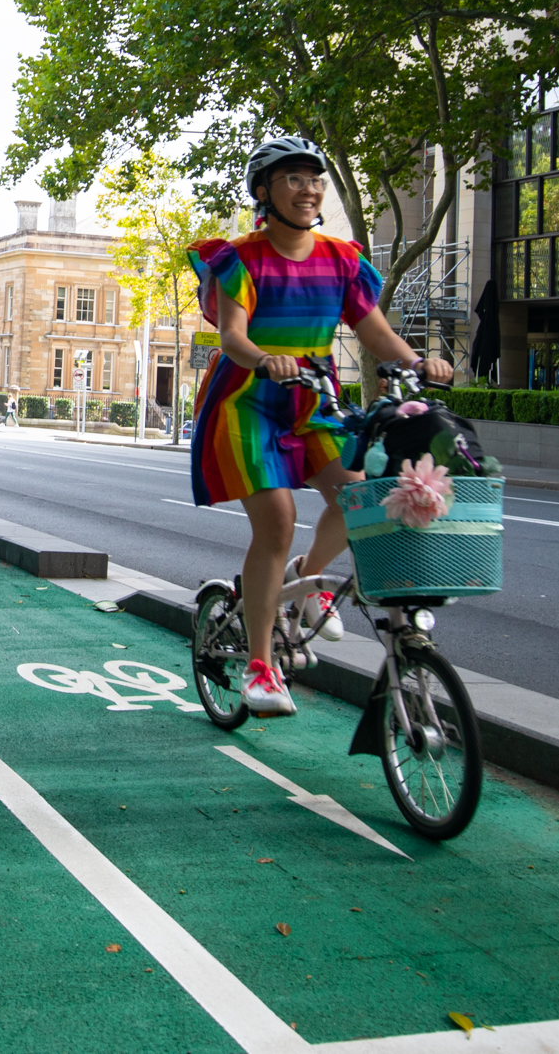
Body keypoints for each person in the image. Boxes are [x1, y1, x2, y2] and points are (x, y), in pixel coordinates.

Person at [189, 135, 455, 717]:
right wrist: (264, 358)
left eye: (316, 179)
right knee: (278, 519)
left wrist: (416, 360)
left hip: (315, 397)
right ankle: (262, 665)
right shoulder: (241, 257)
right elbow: (232, 333)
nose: (309, 189)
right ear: (265, 191)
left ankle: (306, 583)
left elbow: (373, 331)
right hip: (249, 397)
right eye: (293, 178)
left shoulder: (341, 259)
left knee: (361, 494)